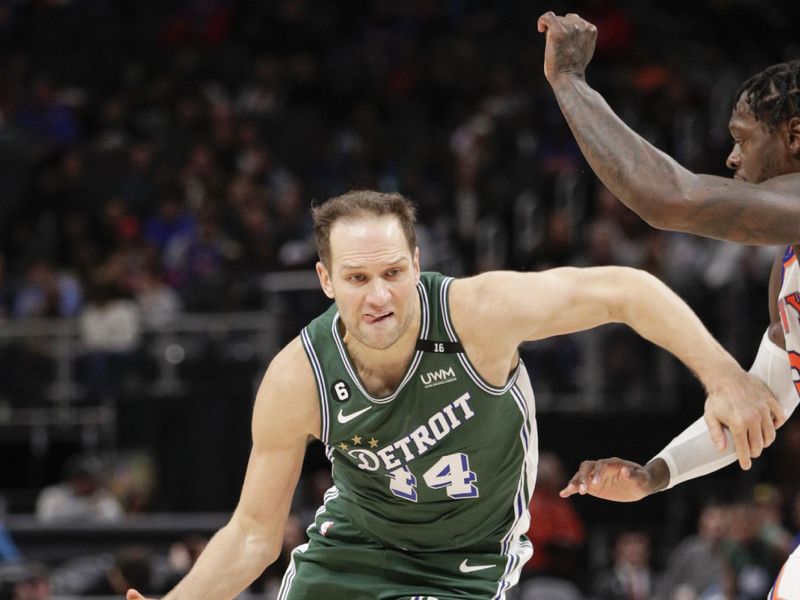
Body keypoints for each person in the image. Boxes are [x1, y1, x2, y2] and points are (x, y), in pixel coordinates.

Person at [128, 190, 778, 600]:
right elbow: (252, 534)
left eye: (393, 273)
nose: (378, 296)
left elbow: (626, 291)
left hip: (464, 558)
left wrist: (725, 377)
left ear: (418, 261)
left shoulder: (476, 313)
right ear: (325, 280)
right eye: (357, 278)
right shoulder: (299, 376)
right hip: (355, 544)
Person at [536, 10, 800, 597]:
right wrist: (656, 474)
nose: (732, 160)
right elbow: (761, 406)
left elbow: (666, 198)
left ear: (795, 137)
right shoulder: (789, 270)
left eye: (741, 140)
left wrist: (570, 83)